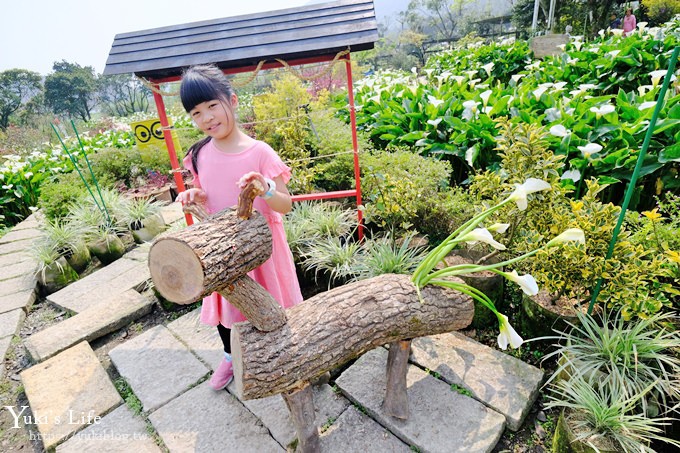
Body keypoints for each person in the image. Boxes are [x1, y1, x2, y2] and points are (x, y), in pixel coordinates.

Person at [176, 65, 303, 391]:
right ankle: (231, 357)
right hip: (225, 249)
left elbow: (285, 205)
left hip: (263, 249)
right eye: (196, 112)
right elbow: (207, 193)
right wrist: (196, 195)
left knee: (274, 307)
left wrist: (267, 190)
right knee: (226, 308)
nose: (206, 118)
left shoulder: (261, 153)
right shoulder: (200, 153)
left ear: (231, 100)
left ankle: (286, 358)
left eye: (212, 106)